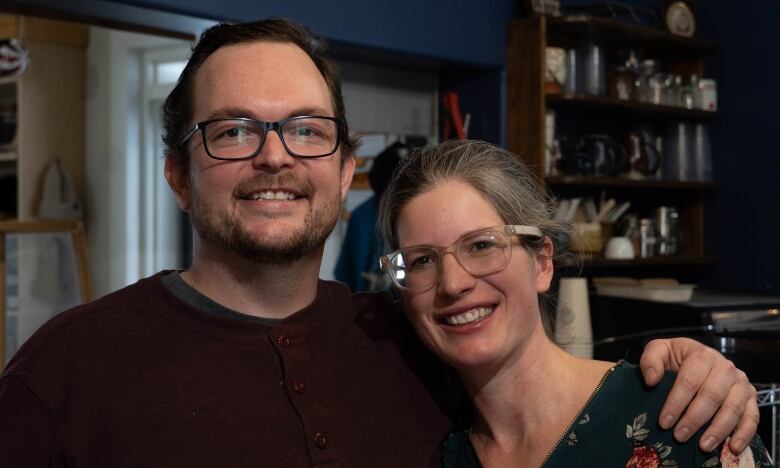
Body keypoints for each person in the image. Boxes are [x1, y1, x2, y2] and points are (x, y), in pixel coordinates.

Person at [0, 18, 759, 467]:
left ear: (344, 167)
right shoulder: (66, 373)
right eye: (233, 130)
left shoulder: (410, 342)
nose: (275, 157)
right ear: (175, 173)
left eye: (305, 129)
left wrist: (694, 370)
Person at [377, 139, 772, 467]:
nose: (453, 283)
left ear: (543, 263)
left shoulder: (685, 415)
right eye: (422, 261)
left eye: (481, 245)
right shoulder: (432, 449)